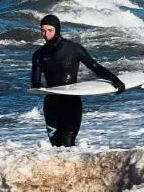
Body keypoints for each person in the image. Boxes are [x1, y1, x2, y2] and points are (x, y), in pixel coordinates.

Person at [31, 15, 125, 147]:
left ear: (57, 29)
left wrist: (114, 79)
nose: (46, 34)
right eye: (43, 30)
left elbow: (95, 67)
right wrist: (40, 88)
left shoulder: (74, 49)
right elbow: (35, 81)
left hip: (71, 103)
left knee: (68, 143)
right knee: (55, 145)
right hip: (51, 105)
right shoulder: (39, 54)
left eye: (50, 30)